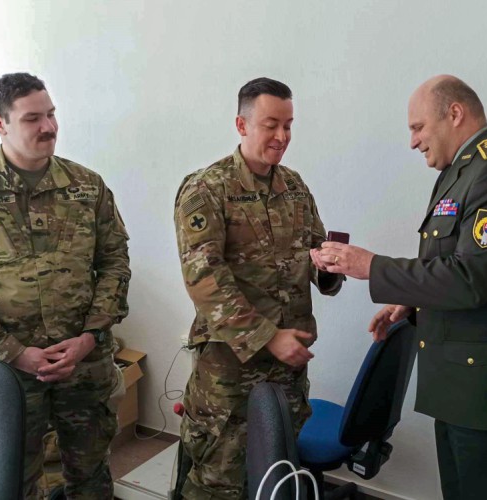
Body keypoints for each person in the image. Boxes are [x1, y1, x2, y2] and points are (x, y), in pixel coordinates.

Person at [319, 75, 487, 500]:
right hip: (460, 387)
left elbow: (470, 279)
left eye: (418, 127)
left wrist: (371, 266)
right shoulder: (461, 171)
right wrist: (410, 304)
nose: (413, 142)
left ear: (455, 113)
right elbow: (450, 265)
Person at [0, 72, 131, 500]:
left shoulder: (86, 185)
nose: (49, 127)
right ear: (0, 124)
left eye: (51, 114)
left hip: (83, 364)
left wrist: (90, 337)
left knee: (92, 476)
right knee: (9, 480)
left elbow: (115, 263)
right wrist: (14, 353)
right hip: (3, 371)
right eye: (33, 118)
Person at [173, 77, 343, 499]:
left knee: (277, 476)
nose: (282, 136)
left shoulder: (294, 187)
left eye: (288, 125)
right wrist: (267, 336)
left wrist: (330, 267)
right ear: (242, 125)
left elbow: (314, 250)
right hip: (231, 370)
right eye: (271, 125)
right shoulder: (207, 188)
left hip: (288, 366)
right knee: (220, 480)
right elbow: (205, 279)